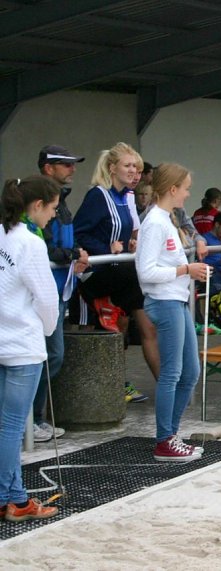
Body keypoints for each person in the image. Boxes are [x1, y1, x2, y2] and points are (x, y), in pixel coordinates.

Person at [135, 163, 208, 461]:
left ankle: (171, 435)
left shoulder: (165, 220)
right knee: (173, 372)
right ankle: (165, 438)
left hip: (175, 299)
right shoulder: (155, 222)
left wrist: (187, 272)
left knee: (190, 371)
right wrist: (185, 269)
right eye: (186, 188)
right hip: (165, 301)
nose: (188, 194)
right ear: (173, 189)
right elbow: (146, 270)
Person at [73, 142, 156, 403]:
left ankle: (121, 380)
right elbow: (79, 233)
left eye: (137, 167)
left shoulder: (125, 198)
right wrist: (106, 247)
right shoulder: (98, 196)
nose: (134, 172)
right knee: (139, 278)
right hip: (95, 274)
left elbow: (120, 236)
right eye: (128, 166)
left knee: (126, 322)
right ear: (112, 168)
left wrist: (129, 244)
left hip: (116, 271)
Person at [0, 176, 61, 521]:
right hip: (22, 343)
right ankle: (18, 500)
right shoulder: (31, 242)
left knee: (4, 426)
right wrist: (47, 330)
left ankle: (9, 496)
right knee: (10, 427)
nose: (53, 215)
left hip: (3, 338)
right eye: (52, 208)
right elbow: (47, 298)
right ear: (37, 206)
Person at [34, 145, 89, 443]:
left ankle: (36, 418)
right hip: (47, 289)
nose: (72, 169)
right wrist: (72, 253)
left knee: (51, 355)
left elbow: (67, 237)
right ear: (48, 168)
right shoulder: (39, 201)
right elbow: (43, 244)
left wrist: (77, 251)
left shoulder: (62, 202)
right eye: (65, 165)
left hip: (60, 287)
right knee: (49, 354)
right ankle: (31, 418)